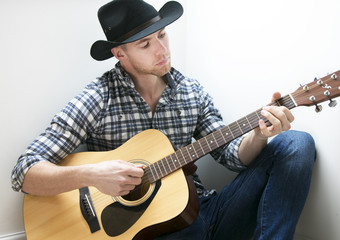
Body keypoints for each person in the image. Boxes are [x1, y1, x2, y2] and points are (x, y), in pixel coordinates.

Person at [11, 0, 316, 239]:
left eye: (162, 35)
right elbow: (23, 172)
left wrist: (260, 134)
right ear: (120, 54)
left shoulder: (191, 92)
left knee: (296, 143)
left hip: (204, 213)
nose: (161, 50)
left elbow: (233, 157)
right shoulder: (97, 99)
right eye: (145, 44)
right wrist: (92, 175)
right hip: (145, 232)